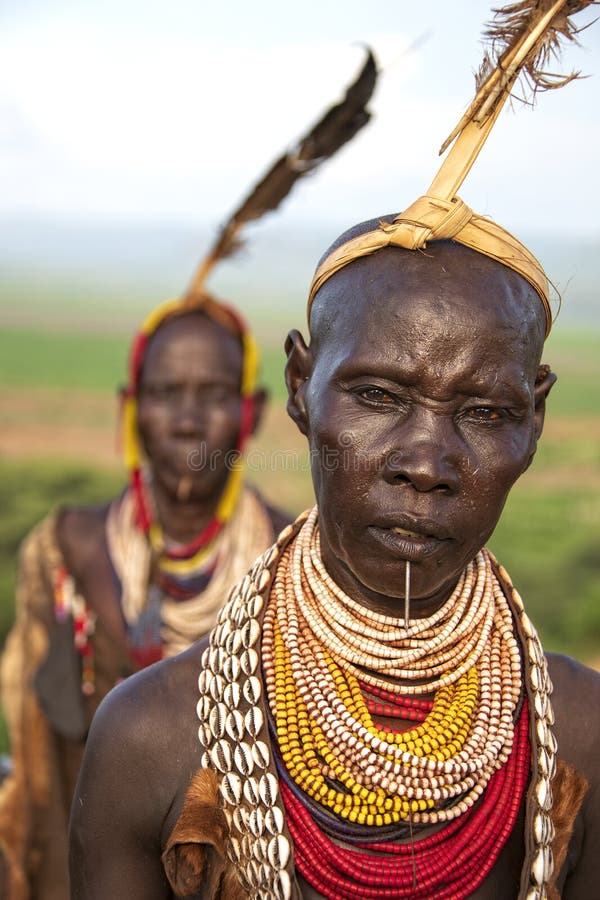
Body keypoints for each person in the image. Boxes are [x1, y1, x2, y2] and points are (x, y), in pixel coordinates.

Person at [69, 4, 600, 899]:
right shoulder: (154, 739)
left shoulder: (577, 732)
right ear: (300, 389)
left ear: (535, 419)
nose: (425, 463)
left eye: (482, 410)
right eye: (379, 396)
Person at [0, 50, 378, 899]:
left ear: (249, 415)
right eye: (166, 393)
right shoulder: (66, 555)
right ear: (132, 407)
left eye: (212, 395)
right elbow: (41, 757)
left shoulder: (295, 563)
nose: (186, 416)